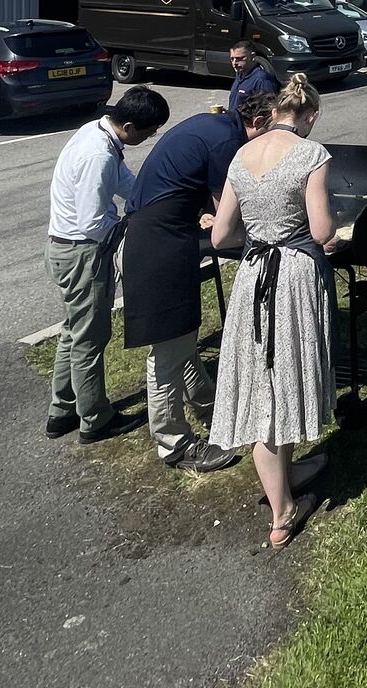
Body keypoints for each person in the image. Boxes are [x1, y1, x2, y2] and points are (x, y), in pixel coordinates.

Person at [210, 74, 337, 548]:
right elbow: (321, 230)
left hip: (252, 275)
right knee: (284, 375)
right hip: (293, 275)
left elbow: (221, 236)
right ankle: (283, 513)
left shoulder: (241, 155)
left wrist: (257, 235)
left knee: (261, 380)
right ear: (310, 116)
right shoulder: (311, 153)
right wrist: (331, 233)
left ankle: (285, 475)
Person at [121, 98, 275, 473]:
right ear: (257, 122)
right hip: (156, 244)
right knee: (167, 354)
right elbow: (231, 212)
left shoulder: (217, 127)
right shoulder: (227, 141)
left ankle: (211, 411)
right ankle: (174, 445)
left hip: (159, 234)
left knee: (184, 338)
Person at [45, 87, 170, 443]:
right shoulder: (97, 154)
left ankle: (62, 410)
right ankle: (95, 418)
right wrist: (131, 227)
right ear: (129, 127)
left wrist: (150, 197)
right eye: (149, 132)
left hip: (67, 249)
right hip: (82, 253)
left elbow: (124, 182)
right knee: (90, 339)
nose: (151, 137)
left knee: (74, 331)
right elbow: (92, 222)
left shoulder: (99, 133)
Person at [227, 39, 280, 116]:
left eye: (240, 58)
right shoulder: (239, 75)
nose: (234, 63)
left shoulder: (261, 79)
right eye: (232, 59)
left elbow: (269, 109)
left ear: (252, 56)